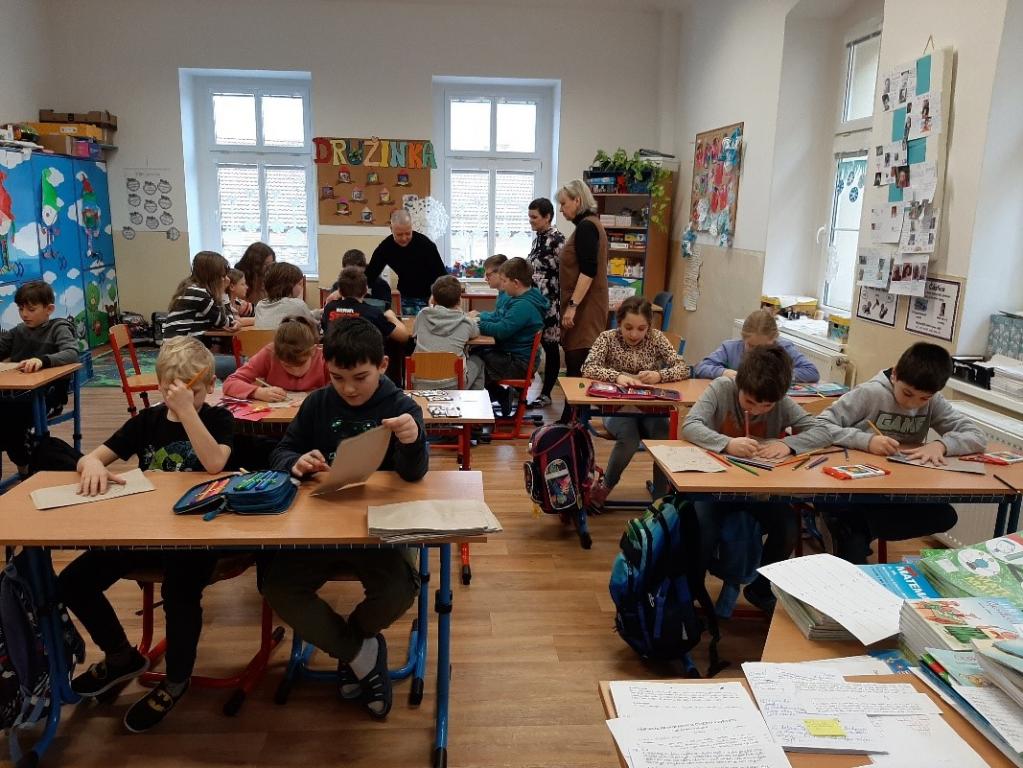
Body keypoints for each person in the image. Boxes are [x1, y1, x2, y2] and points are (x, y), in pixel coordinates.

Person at [57, 337, 233, 732]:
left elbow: (214, 463)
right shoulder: (147, 422)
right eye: (172, 392)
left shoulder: (219, 420)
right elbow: (93, 457)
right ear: (160, 387)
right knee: (73, 581)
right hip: (146, 533)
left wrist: (188, 413)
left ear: (210, 387)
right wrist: (91, 466)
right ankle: (121, 656)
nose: (181, 400)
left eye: (193, 392)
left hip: (197, 538)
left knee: (179, 592)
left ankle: (177, 679)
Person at [262, 318, 428, 720]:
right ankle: (360, 652)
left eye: (360, 377)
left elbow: (413, 475)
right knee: (276, 585)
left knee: (399, 590)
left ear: (383, 366)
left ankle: (353, 645)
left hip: (377, 526)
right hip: (321, 523)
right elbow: (282, 451)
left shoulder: (401, 407)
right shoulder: (318, 403)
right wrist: (295, 461)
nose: (349, 388)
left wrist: (412, 441)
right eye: (337, 377)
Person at [682, 345, 831, 613]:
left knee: (787, 526)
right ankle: (691, 592)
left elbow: (822, 431)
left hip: (758, 491)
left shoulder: (780, 401)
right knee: (703, 529)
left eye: (767, 406)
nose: (759, 410)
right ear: (740, 384)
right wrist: (727, 443)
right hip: (715, 489)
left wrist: (788, 445)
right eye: (750, 402)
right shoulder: (722, 388)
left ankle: (761, 590)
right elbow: (690, 425)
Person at [817, 342, 986, 564]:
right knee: (852, 542)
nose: (912, 404)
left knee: (944, 515)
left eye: (923, 399)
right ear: (895, 374)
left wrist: (941, 445)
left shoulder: (933, 401)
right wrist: (867, 441)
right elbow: (820, 426)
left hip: (895, 488)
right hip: (853, 487)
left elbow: (977, 436)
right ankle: (850, 530)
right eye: (907, 393)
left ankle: (856, 527)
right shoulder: (870, 393)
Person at [581, 296, 690, 508]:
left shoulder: (656, 338)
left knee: (664, 439)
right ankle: (605, 487)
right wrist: (617, 376)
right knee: (629, 439)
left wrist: (660, 375)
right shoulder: (607, 338)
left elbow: (683, 368)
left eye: (641, 329)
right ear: (619, 322)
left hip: (651, 408)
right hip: (617, 408)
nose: (634, 334)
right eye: (628, 327)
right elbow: (588, 367)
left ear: (649, 326)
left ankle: (661, 500)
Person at [0, 280, 79, 473]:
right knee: (6, 417)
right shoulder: (18, 331)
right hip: (15, 396)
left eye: (31, 309)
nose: (24, 314)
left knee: (11, 420)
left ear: (49, 309)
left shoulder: (58, 328)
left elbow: (72, 353)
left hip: (49, 396)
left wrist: (43, 360)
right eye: (20, 309)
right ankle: (23, 465)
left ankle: (25, 468)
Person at [556, 179, 609, 423]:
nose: (561, 210)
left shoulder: (587, 227)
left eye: (564, 204)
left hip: (585, 307)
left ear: (578, 200)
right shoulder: (588, 225)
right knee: (576, 363)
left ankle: (574, 421)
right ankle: (573, 418)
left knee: (578, 363)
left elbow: (588, 270)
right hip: (584, 305)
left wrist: (572, 307)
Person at [469, 257, 547, 417]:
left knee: (474, 363)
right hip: (515, 357)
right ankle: (496, 397)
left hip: (518, 364)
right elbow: (500, 319)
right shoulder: (522, 299)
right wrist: (480, 319)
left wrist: (477, 324)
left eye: (504, 281)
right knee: (476, 354)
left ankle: (478, 408)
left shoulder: (523, 306)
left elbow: (501, 330)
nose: (502, 286)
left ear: (516, 283)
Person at [164, 251, 238, 379]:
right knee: (243, 363)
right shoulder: (199, 294)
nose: (226, 279)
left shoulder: (191, 289)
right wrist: (224, 293)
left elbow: (222, 321)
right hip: (182, 361)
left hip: (175, 356)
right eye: (223, 276)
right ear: (213, 276)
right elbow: (226, 322)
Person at [694, 309, 819, 383]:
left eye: (764, 348)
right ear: (743, 338)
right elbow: (700, 367)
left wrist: (778, 375)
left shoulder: (784, 348)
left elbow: (812, 372)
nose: (758, 352)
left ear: (774, 339)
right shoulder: (730, 348)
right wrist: (723, 372)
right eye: (752, 346)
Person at [223, 315, 328, 402]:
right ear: (276, 354)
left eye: (301, 364)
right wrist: (257, 392)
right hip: (275, 418)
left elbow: (336, 393)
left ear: (313, 351)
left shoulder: (323, 358)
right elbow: (230, 382)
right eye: (287, 366)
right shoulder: (270, 353)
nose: (296, 372)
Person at [365, 209, 447, 315]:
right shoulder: (385, 248)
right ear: (391, 229)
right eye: (399, 234)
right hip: (407, 297)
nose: (404, 238)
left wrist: (436, 295)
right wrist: (349, 292)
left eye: (408, 233)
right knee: (409, 324)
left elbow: (442, 275)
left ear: (411, 227)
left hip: (431, 296)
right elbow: (370, 274)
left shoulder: (426, 245)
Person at [525, 197, 566, 409]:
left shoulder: (557, 240)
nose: (530, 220)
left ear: (547, 216)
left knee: (550, 347)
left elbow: (566, 273)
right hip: (536, 301)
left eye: (534, 217)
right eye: (529, 216)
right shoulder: (538, 239)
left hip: (551, 303)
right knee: (534, 345)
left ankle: (547, 393)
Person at [413, 274, 483, 389]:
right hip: (453, 385)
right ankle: (470, 399)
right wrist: (465, 314)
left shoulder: (422, 315)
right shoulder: (465, 322)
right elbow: (475, 332)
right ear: (459, 301)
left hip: (421, 384)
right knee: (478, 361)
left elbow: (415, 334)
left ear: (433, 299)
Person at [322, 266, 409, 345]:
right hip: (365, 357)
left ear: (339, 291)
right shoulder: (373, 313)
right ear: (366, 290)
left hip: (334, 356)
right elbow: (404, 337)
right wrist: (392, 317)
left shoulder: (329, 309)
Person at [254, 262, 318, 329]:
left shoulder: (260, 305)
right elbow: (313, 326)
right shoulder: (298, 305)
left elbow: (279, 315)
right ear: (288, 286)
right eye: (299, 283)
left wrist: (316, 313)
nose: (302, 287)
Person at [323, 249, 392, 307]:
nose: (353, 277)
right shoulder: (338, 285)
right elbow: (330, 308)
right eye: (349, 273)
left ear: (364, 268)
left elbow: (386, 308)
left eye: (357, 273)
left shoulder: (380, 284)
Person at [234, 242, 275, 306]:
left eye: (271, 264)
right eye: (265, 264)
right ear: (256, 265)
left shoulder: (268, 278)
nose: (269, 268)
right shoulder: (240, 278)